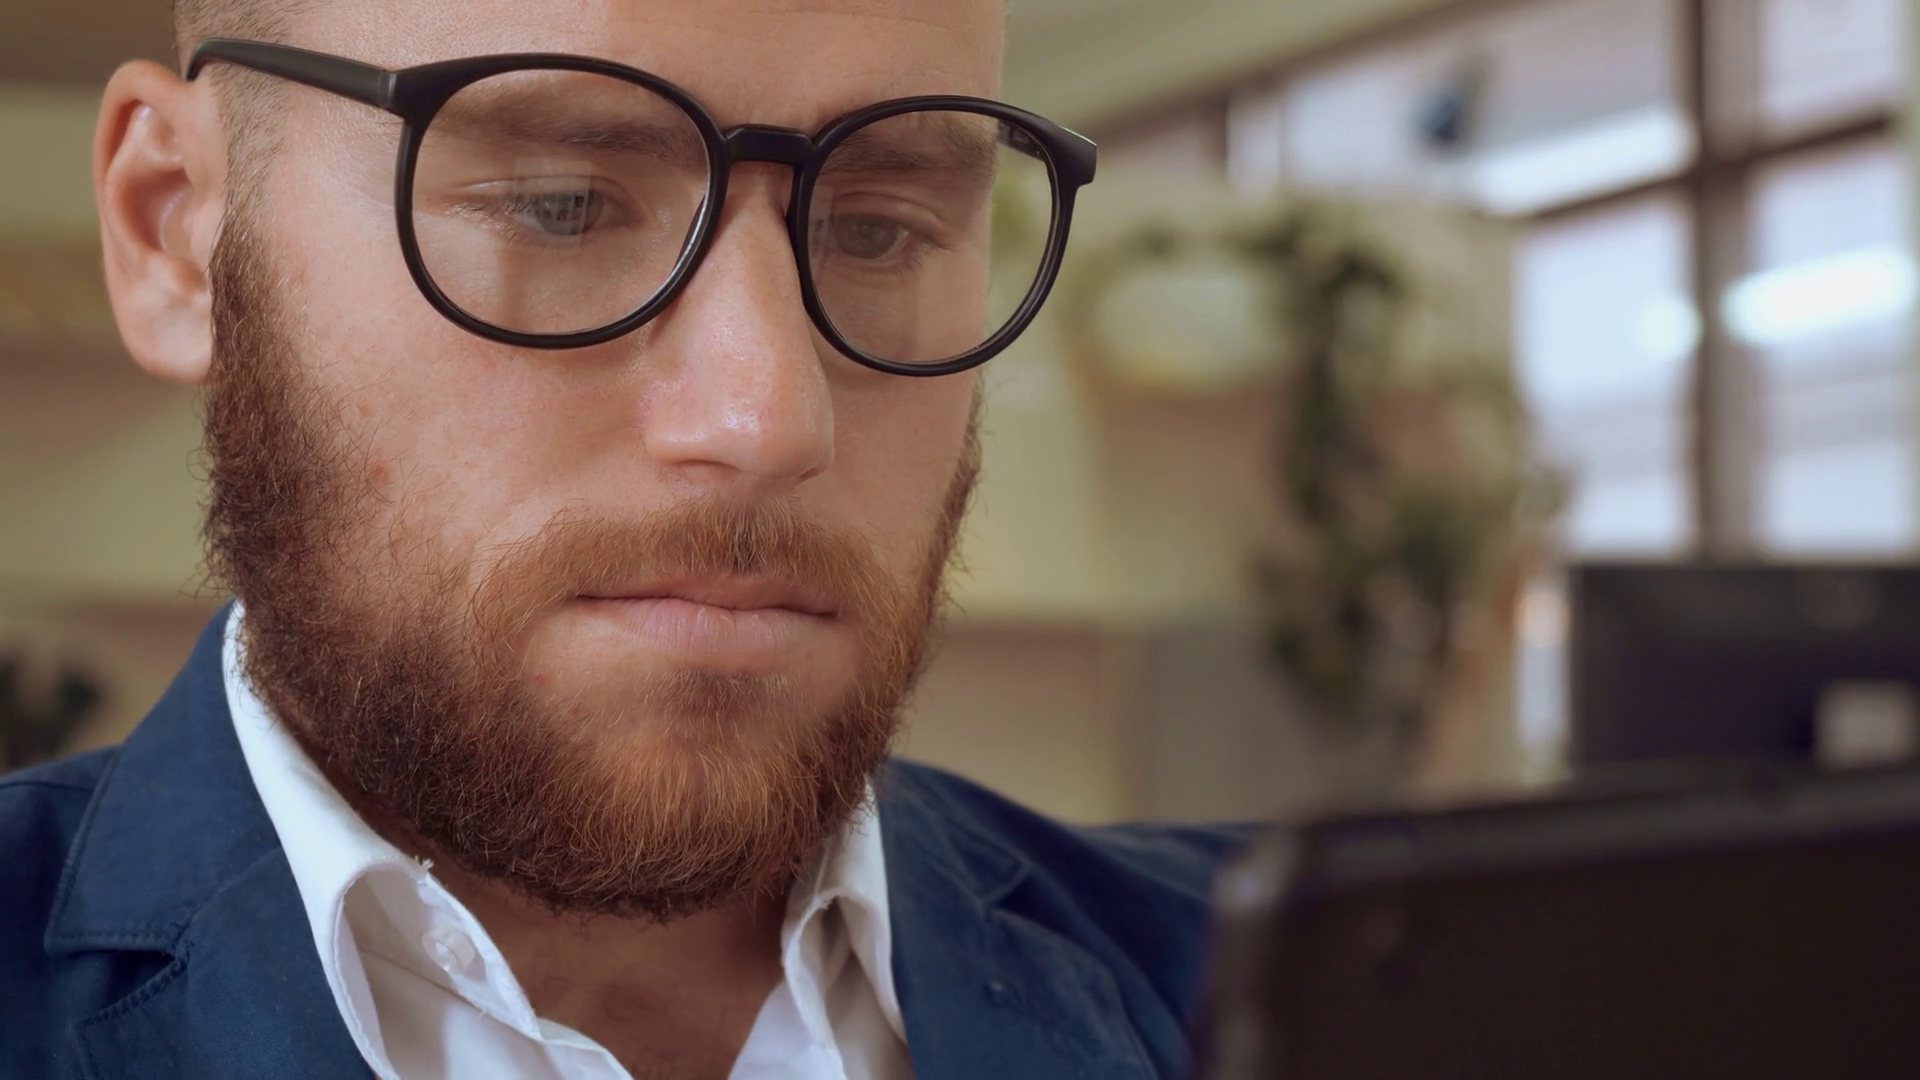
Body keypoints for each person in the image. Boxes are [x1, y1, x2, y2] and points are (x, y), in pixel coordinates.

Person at [0, 1, 1250, 1077]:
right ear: (175, 232)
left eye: (877, 229)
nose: (767, 421)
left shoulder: (1288, 996)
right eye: (561, 207)